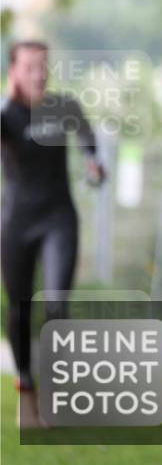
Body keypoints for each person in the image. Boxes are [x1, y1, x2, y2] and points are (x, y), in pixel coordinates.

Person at [1, 40, 106, 427]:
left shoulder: (64, 107)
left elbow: (89, 144)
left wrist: (94, 166)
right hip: (16, 223)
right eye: (29, 67)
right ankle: (25, 387)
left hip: (58, 218)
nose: (38, 74)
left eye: (43, 66)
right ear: (13, 70)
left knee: (56, 304)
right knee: (19, 309)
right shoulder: (6, 114)